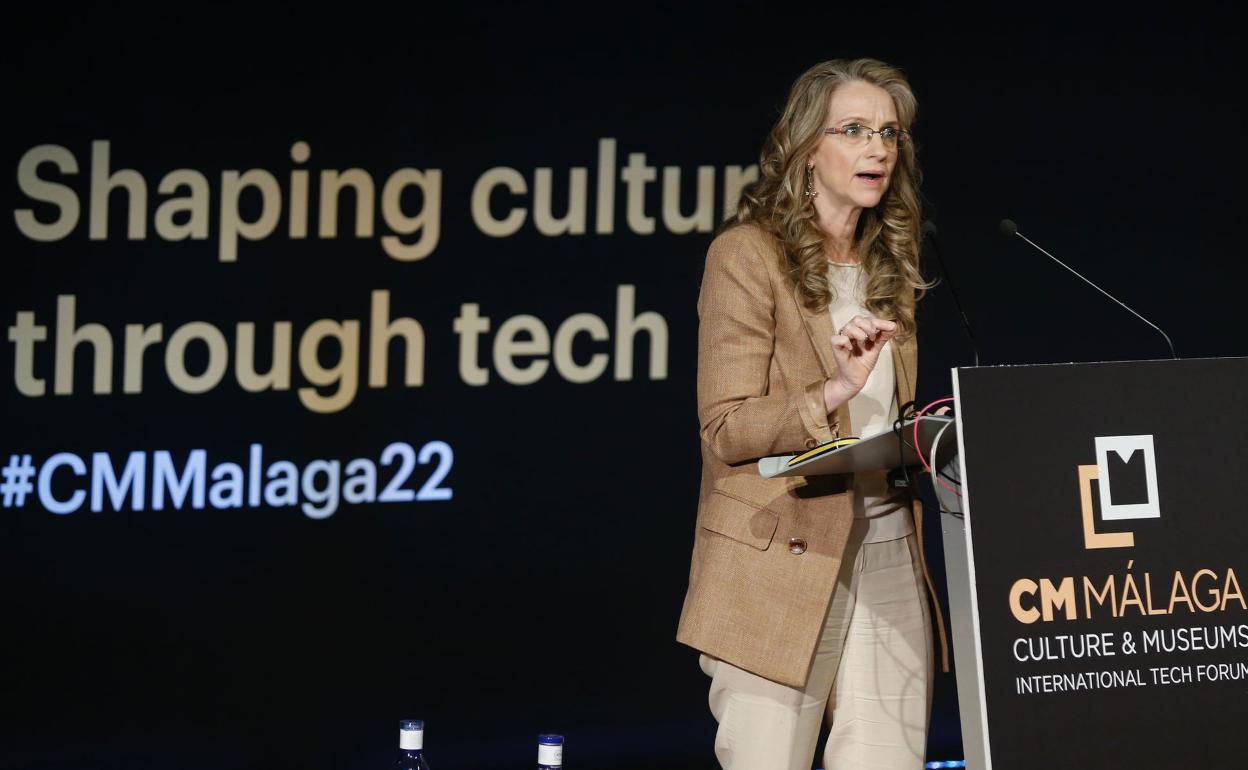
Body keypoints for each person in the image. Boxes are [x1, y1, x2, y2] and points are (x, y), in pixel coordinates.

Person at [676, 58, 948, 770]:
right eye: (854, 129)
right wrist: (829, 391)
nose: (878, 148)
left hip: (889, 543)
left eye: (890, 133)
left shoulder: (893, 261)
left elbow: (893, 415)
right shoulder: (745, 256)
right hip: (781, 551)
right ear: (805, 149)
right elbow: (726, 428)